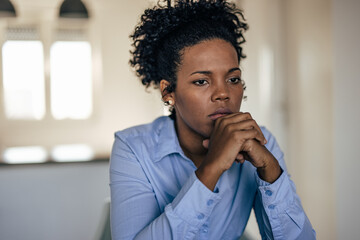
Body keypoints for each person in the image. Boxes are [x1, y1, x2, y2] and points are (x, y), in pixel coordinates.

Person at [110, 0, 316, 239]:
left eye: (233, 79)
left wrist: (270, 171)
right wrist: (212, 168)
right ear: (168, 92)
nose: (223, 93)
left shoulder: (261, 140)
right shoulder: (133, 148)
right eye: (201, 81)